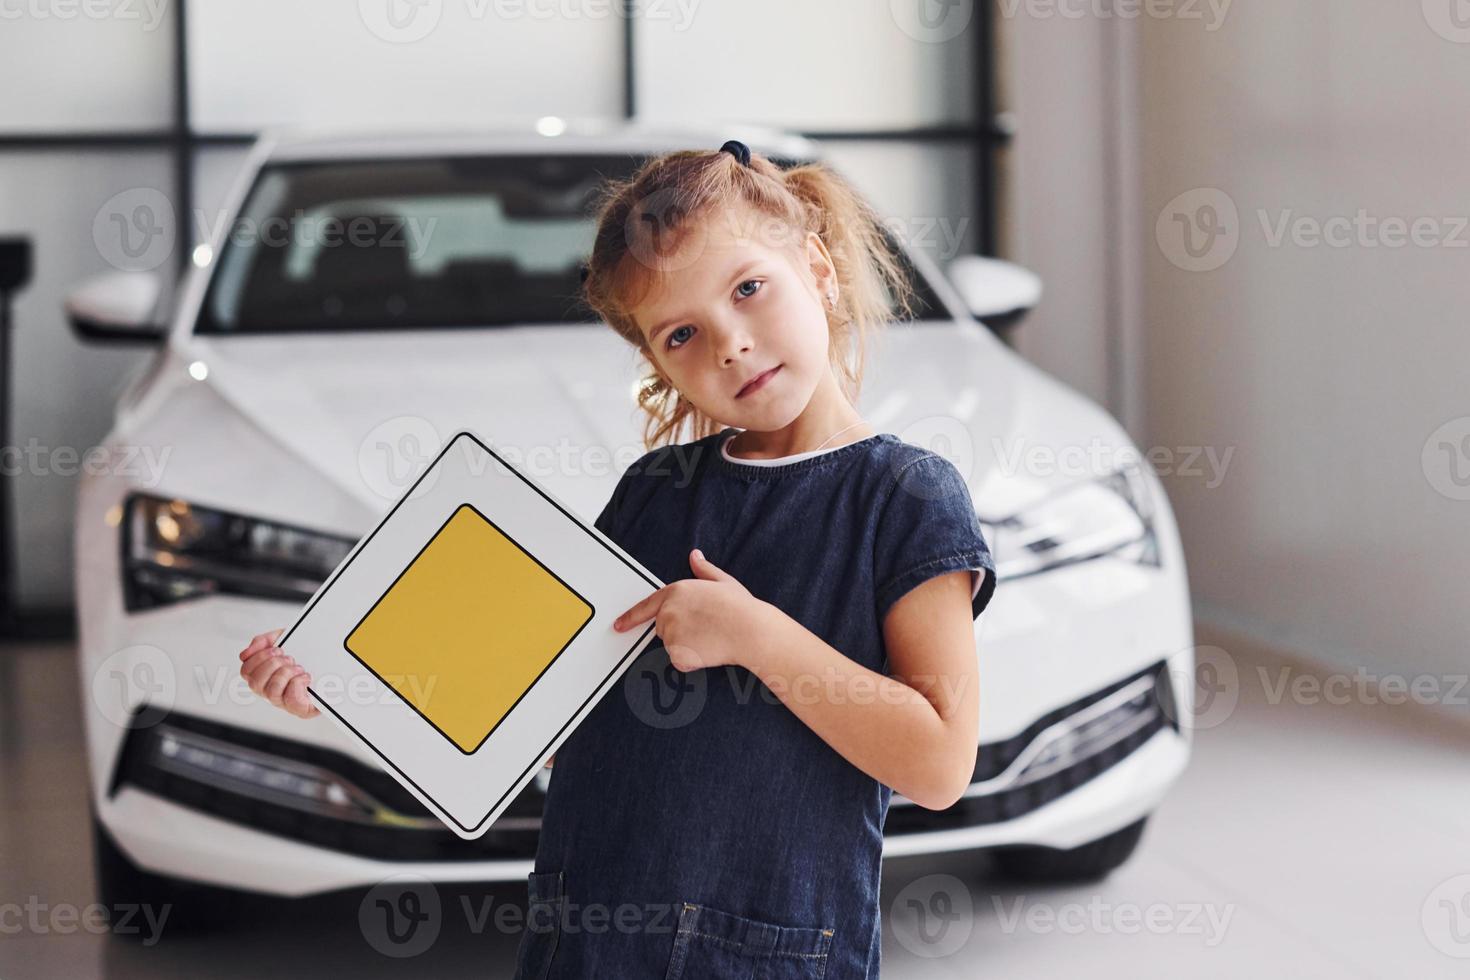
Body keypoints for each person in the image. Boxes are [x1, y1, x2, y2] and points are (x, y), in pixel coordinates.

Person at [239, 139, 996, 979]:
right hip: (586, 945)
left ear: (816, 267)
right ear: (657, 364)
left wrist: (757, 637)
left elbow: (939, 763)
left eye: (749, 289)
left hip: (772, 954)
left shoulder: (906, 496)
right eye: (682, 334)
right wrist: (353, 695)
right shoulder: (654, 492)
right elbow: (551, 723)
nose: (731, 345)